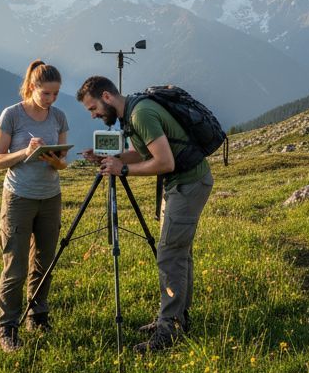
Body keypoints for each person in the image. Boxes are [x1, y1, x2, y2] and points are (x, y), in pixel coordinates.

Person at [76, 76, 213, 354]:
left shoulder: (141, 114)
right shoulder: (132, 112)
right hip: (180, 184)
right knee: (178, 253)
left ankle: (169, 329)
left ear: (106, 97)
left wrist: (122, 170)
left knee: (170, 254)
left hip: (187, 184)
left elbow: (165, 161)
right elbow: (143, 153)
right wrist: (111, 159)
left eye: (93, 108)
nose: (93, 115)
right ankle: (177, 317)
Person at [0, 60, 69, 351]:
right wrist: (26, 151)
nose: (51, 99)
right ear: (33, 87)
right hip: (19, 197)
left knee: (45, 261)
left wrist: (55, 160)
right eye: (46, 93)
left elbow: (62, 163)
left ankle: (37, 316)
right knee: (15, 265)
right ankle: (7, 326)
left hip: (50, 196)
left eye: (56, 93)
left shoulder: (58, 117)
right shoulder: (12, 114)